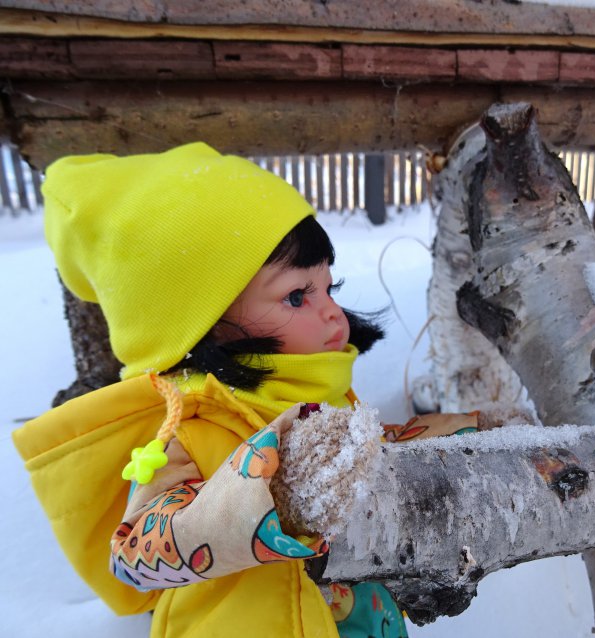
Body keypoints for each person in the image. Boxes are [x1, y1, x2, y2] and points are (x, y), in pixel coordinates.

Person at [12, 143, 479, 638]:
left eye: (328, 288)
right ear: (207, 328)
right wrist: (270, 500)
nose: (332, 314)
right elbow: (137, 559)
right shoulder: (189, 432)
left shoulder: (321, 394)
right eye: (297, 296)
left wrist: (463, 440)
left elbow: (369, 461)